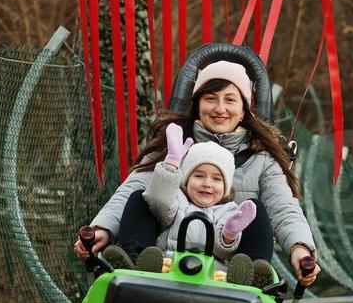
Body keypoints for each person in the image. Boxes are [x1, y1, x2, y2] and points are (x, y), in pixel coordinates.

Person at [75, 58, 319, 288]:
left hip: (228, 265)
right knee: (141, 196)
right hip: (163, 259)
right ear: (197, 104)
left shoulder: (263, 160)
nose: (220, 108)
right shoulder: (172, 147)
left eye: (230, 100)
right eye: (211, 98)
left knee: (256, 209)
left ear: (244, 110)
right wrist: (102, 228)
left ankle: (252, 275)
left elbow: (284, 208)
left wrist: (300, 247)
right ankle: (133, 262)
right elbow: (130, 189)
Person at [101, 122, 264, 283]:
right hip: (168, 265)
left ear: (226, 187)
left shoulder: (229, 210)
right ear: (186, 180)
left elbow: (223, 250)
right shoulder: (178, 200)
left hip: (212, 273)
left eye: (216, 179)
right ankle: (135, 264)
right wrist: (171, 164)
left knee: (229, 268)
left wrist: (229, 234)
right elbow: (159, 199)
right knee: (140, 197)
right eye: (199, 176)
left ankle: (247, 279)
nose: (207, 183)